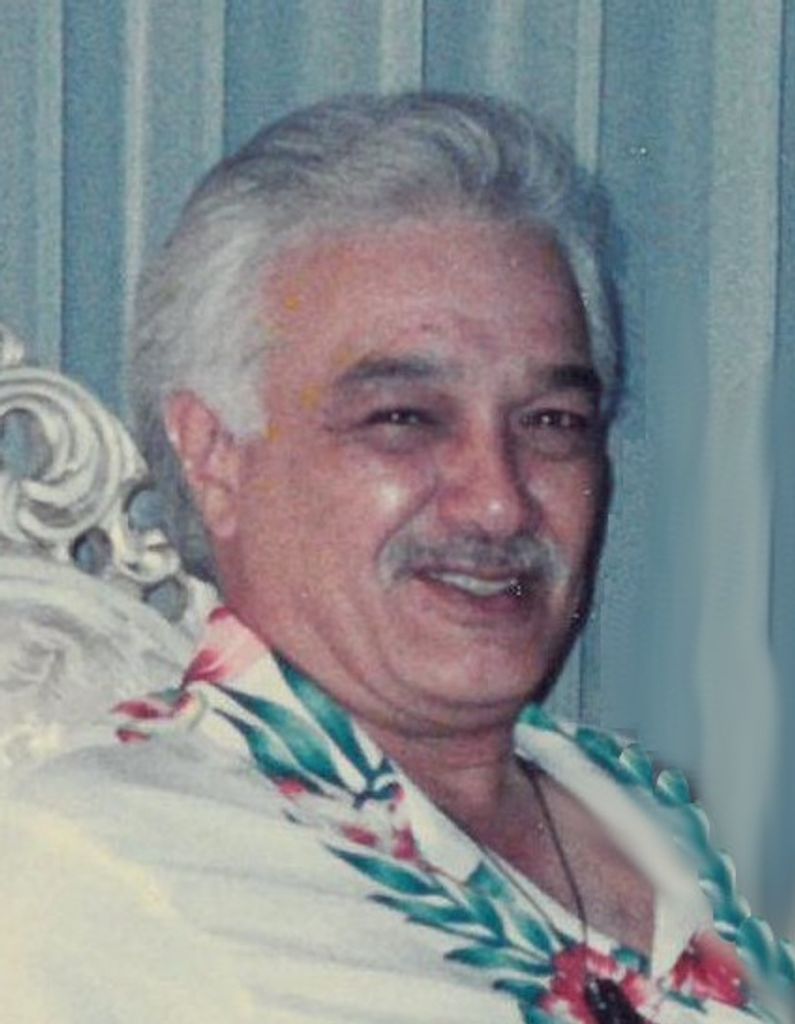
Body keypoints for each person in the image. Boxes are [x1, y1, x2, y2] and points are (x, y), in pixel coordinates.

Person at [1, 93, 790, 1024]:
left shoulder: (666, 813)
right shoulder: (95, 870)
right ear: (214, 456)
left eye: (551, 422)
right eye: (404, 419)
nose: (498, 500)